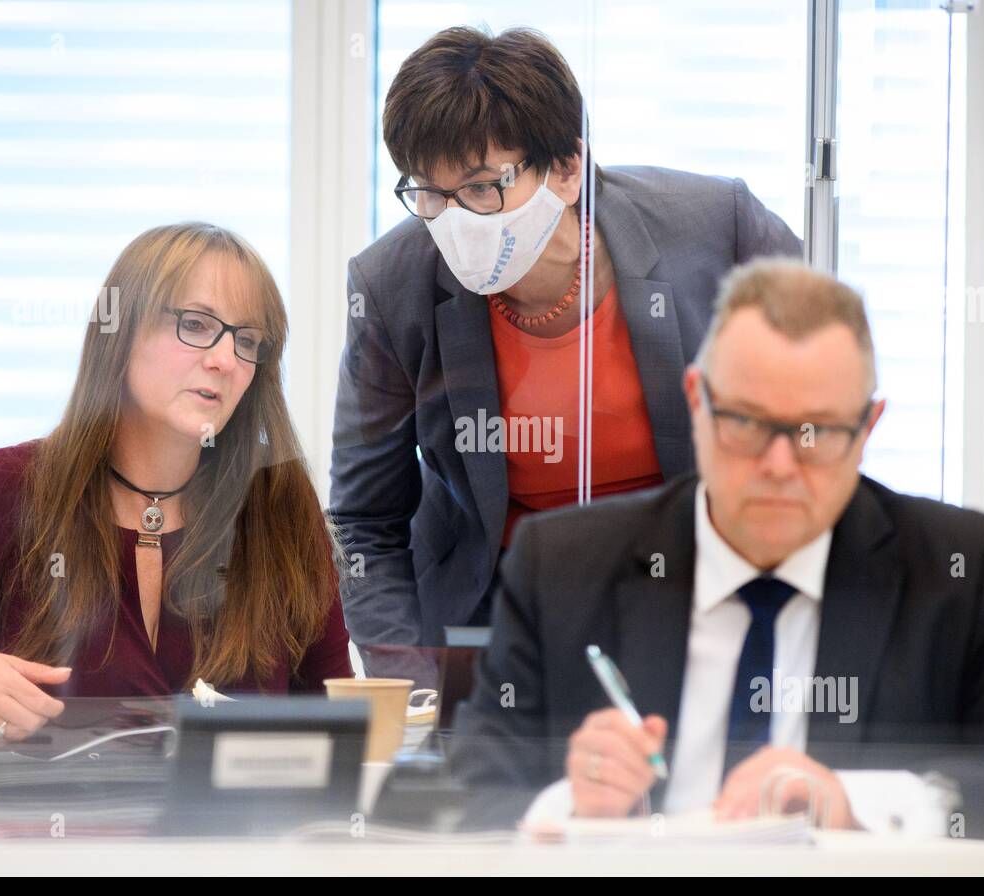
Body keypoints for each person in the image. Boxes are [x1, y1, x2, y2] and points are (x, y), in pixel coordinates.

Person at [450, 258, 984, 842]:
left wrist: (863, 804)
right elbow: (456, 802)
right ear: (697, 400)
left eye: (818, 432)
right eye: (749, 423)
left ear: (868, 426)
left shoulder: (957, 573)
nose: (782, 465)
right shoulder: (564, 565)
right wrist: (571, 807)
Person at [330, 26, 801, 649]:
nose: (456, 222)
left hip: (701, 586)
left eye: (481, 188)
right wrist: (408, 682)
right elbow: (366, 521)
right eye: (428, 193)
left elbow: (823, 412)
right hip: (497, 608)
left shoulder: (720, 229)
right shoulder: (392, 286)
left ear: (566, 169)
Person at [0, 223, 351, 744]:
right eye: (195, 324)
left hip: (231, 827)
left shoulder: (276, 501)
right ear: (121, 332)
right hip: (33, 822)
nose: (224, 360)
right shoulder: (2, 489)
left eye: (248, 341)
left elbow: (333, 725)